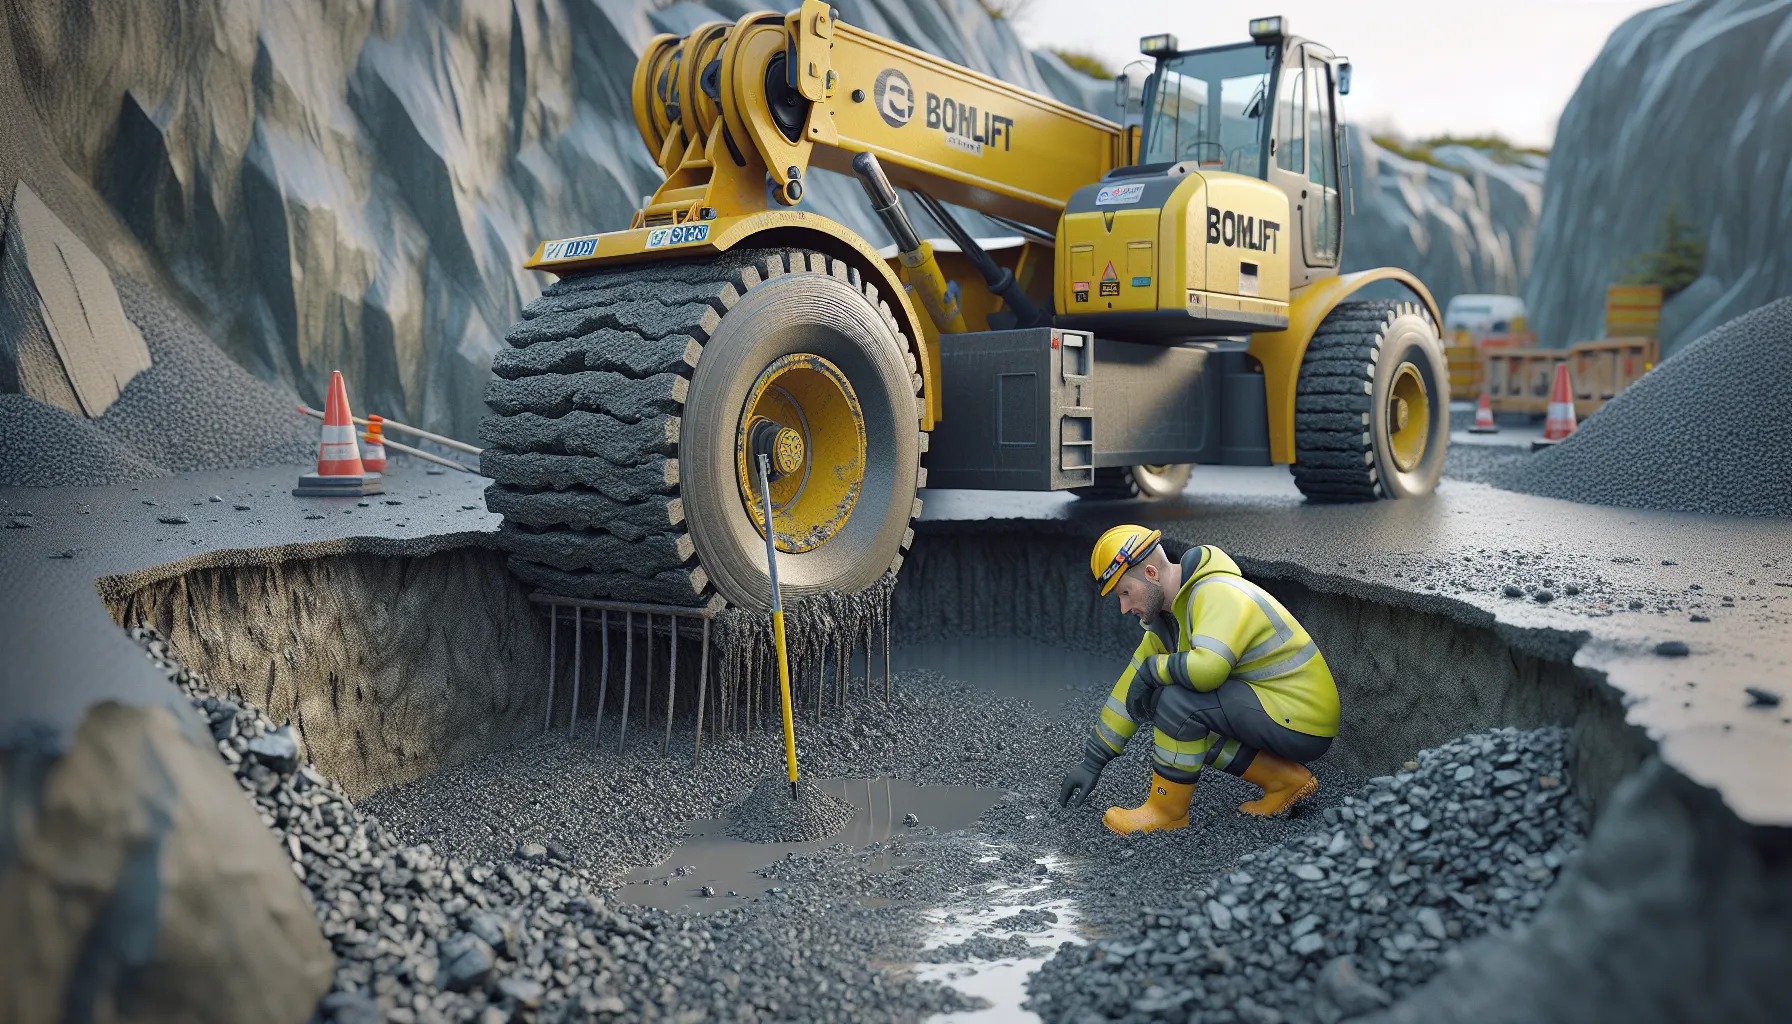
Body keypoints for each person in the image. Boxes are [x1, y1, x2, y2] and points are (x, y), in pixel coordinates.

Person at [1060, 525, 1340, 834]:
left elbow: (1208, 670)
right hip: (1272, 708)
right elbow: (1128, 690)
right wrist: (1093, 761)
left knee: (1178, 702)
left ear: (1151, 573)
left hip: (1302, 717)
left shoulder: (1217, 592)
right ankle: (1284, 782)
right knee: (1164, 704)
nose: (1124, 607)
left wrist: (1154, 670)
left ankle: (1167, 812)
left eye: (1125, 592)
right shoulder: (1170, 624)